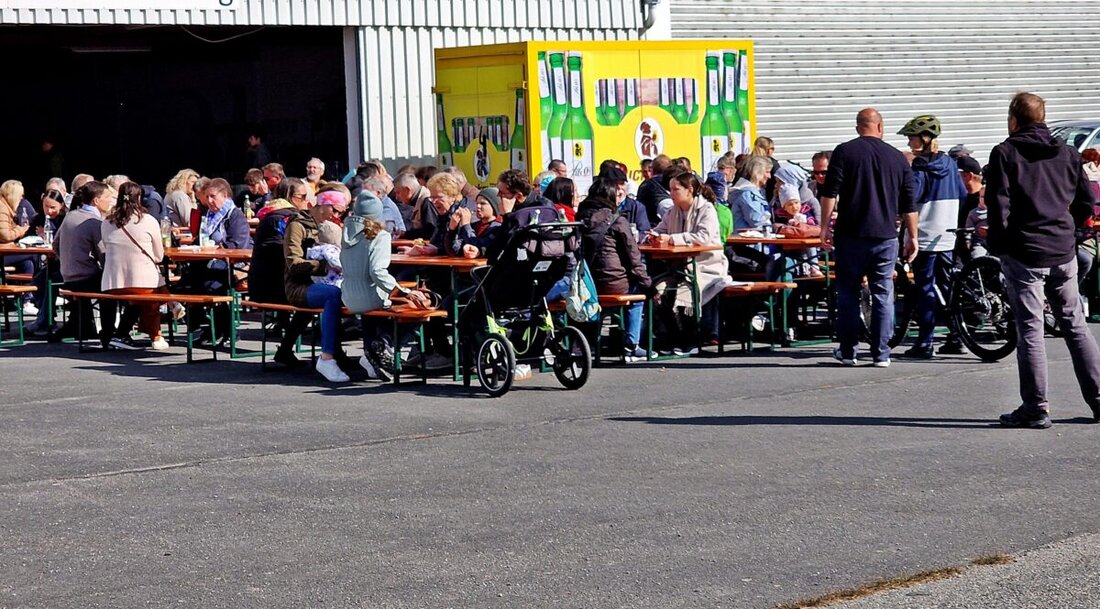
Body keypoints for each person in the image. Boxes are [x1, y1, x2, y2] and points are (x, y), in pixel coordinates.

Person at [985, 92, 1100, 429]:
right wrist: (1073, 227)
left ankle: (1036, 406)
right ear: (1044, 118)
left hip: (1025, 250)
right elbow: (1086, 201)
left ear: (1014, 119)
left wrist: (1000, 244)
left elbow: (998, 205)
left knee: (1031, 329)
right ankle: (1098, 399)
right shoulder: (1067, 153)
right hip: (1062, 249)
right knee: (1075, 324)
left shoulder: (1006, 153)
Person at [820, 108, 918, 368]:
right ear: (881, 127)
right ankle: (881, 353)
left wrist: (823, 227)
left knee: (848, 293)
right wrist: (913, 237)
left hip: (851, 234)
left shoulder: (844, 151)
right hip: (886, 236)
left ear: (857, 128)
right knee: (883, 293)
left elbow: (830, 192)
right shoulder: (898, 158)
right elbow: (909, 202)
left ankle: (849, 351)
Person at [897, 114, 967, 359]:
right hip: (948, 231)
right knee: (947, 286)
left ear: (924, 139)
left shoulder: (918, 167)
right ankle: (957, 335)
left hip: (925, 232)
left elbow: (911, 199)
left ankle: (925, 342)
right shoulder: (949, 163)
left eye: (911, 138)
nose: (908, 143)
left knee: (925, 287)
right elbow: (962, 192)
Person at [340, 191, 430, 382]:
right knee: (418, 310)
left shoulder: (346, 232)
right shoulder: (380, 236)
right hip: (370, 296)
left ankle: (372, 351)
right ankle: (383, 344)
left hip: (348, 296)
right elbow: (378, 272)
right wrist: (405, 293)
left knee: (373, 309)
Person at [647, 172, 730, 354]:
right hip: (677, 267)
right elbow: (660, 229)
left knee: (684, 295)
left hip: (706, 266)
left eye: (676, 189)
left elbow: (703, 237)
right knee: (658, 291)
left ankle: (691, 341)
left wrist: (672, 239)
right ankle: (672, 337)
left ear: (689, 190)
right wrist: (653, 236)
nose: (671, 193)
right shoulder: (672, 211)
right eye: (670, 189)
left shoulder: (706, 210)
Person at [576, 178, 651, 360]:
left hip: (587, 283)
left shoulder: (579, 218)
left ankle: (591, 342)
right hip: (613, 283)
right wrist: (649, 285)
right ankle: (631, 344)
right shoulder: (617, 220)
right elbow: (634, 259)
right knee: (638, 292)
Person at [284, 188, 348, 383]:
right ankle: (327, 357)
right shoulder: (297, 226)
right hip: (299, 287)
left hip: (323, 283)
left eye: (340, 213)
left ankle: (370, 356)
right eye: (335, 211)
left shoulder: (333, 227)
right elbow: (293, 263)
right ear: (322, 205)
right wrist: (325, 265)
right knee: (332, 295)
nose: (337, 216)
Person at [100, 181, 169, 351]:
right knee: (153, 290)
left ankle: (135, 332)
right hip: (142, 284)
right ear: (139, 198)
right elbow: (159, 256)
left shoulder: (106, 222)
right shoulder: (148, 221)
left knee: (144, 292)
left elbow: (106, 248)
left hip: (112, 283)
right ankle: (155, 333)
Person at [52, 181, 116, 344]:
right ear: (96, 200)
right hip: (85, 277)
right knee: (112, 287)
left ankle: (82, 325)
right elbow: (104, 255)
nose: (111, 201)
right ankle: (109, 332)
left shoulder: (70, 215)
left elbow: (55, 243)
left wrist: (67, 260)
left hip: (67, 275)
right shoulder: (94, 223)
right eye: (108, 197)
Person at [27, 187, 66, 333]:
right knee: (37, 282)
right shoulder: (39, 219)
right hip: (50, 262)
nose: (49, 211)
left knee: (50, 281)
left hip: (63, 263)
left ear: (61, 205)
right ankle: (47, 316)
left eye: (52, 207)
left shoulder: (65, 219)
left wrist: (48, 235)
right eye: (46, 206)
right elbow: (29, 236)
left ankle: (44, 320)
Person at [0, 180, 39, 314]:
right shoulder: (2, 208)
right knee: (34, 254)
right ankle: (39, 293)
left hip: (6, 251)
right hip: (2, 254)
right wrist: (23, 229)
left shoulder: (6, 207)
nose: (22, 198)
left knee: (27, 263)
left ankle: (27, 300)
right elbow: (5, 235)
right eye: (20, 195)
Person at [449, 187, 501, 259]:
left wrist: (466, 225)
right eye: (477, 203)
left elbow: (476, 248)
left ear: (494, 206)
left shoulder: (499, 227)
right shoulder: (474, 226)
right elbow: (454, 250)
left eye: (483, 203)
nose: (478, 206)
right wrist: (452, 229)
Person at [306, 221, 343, 288]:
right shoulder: (329, 249)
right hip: (333, 283)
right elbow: (337, 262)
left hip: (317, 282)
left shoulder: (315, 249)